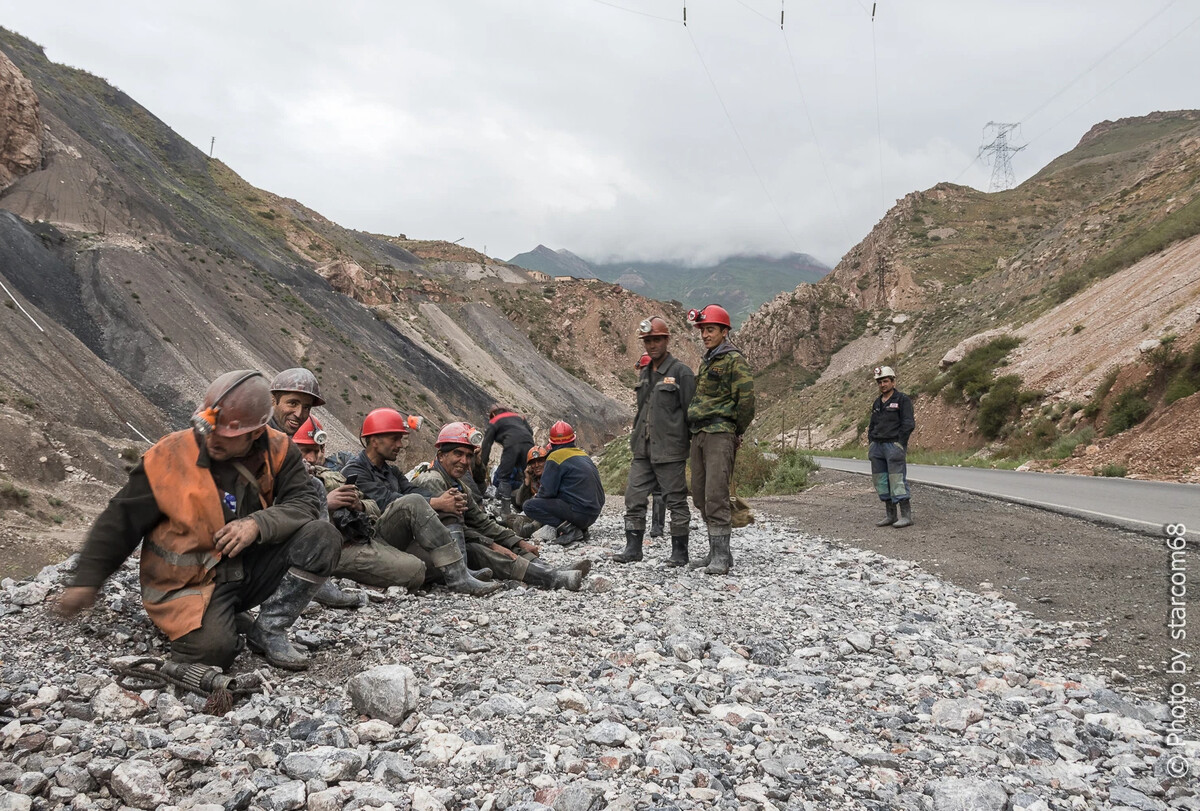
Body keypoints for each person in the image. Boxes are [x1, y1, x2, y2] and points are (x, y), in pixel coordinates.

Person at [54, 370, 342, 671]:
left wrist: (257, 523)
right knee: (216, 652)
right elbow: (121, 520)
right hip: (188, 586)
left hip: (243, 569)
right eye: (210, 429)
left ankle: (268, 630)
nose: (213, 439)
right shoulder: (169, 456)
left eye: (226, 435)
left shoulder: (280, 449)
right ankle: (216, 617)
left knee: (321, 536)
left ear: (255, 433)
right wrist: (87, 580)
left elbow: (305, 502)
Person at [341, 408, 500, 595]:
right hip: (371, 537)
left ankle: (461, 572)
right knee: (417, 502)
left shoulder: (392, 472)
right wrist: (436, 502)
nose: (400, 445)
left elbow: (412, 489)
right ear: (375, 440)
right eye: (395, 439)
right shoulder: (355, 471)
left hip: (395, 538)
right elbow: (385, 501)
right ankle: (460, 578)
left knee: (442, 522)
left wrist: (442, 499)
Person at [415, 423, 591, 590]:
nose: (464, 460)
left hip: (456, 544)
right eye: (458, 454)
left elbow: (482, 522)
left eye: (469, 456)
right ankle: (551, 578)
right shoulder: (432, 481)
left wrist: (518, 542)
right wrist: (492, 544)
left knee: (508, 544)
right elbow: (448, 531)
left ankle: (547, 568)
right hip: (437, 554)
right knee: (486, 551)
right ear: (441, 456)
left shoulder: (460, 486)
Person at [616, 317, 696, 566]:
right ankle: (633, 549)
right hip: (643, 449)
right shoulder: (645, 372)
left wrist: (689, 445)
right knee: (634, 497)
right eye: (648, 340)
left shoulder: (681, 372)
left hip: (670, 451)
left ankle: (680, 553)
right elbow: (641, 411)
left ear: (666, 340)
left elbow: (691, 412)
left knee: (676, 500)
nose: (652, 345)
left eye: (657, 339)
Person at [686, 304, 755, 575]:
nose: (705, 335)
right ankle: (716, 551)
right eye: (703, 330)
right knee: (701, 495)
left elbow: (747, 400)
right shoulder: (708, 361)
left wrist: (735, 430)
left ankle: (721, 557)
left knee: (716, 493)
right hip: (700, 433)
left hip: (720, 433)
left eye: (710, 329)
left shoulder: (734, 360)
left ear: (724, 331)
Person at [523, 420, 605, 547]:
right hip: (594, 514)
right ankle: (580, 528)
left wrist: (537, 500)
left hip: (580, 514)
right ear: (573, 439)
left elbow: (547, 492)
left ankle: (570, 530)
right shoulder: (583, 455)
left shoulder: (555, 457)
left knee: (529, 506)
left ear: (552, 442)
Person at [867, 365, 916, 528]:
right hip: (877, 447)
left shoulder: (902, 400)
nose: (882, 385)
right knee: (881, 481)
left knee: (897, 480)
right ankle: (890, 515)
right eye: (879, 382)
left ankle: (906, 516)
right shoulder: (877, 403)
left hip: (893, 446)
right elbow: (872, 424)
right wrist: (871, 443)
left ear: (893, 382)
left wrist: (899, 443)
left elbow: (908, 423)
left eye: (885, 381)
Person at [480, 404, 535, 515]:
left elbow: (487, 444)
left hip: (511, 444)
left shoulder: (494, 421)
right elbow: (530, 432)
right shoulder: (518, 417)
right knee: (530, 474)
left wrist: (482, 465)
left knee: (503, 477)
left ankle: (505, 511)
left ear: (493, 414)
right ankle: (530, 504)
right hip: (528, 443)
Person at [504, 444, 550, 538]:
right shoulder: (533, 478)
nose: (536, 465)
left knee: (537, 522)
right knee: (509, 518)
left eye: (540, 461)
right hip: (534, 510)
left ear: (546, 462)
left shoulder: (551, 476)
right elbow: (519, 501)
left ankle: (530, 529)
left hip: (548, 511)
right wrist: (527, 481)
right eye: (533, 463)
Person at [268, 368, 324, 435]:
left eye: (306, 408)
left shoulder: (285, 442)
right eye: (293, 403)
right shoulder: (255, 434)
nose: (299, 414)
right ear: (273, 401)